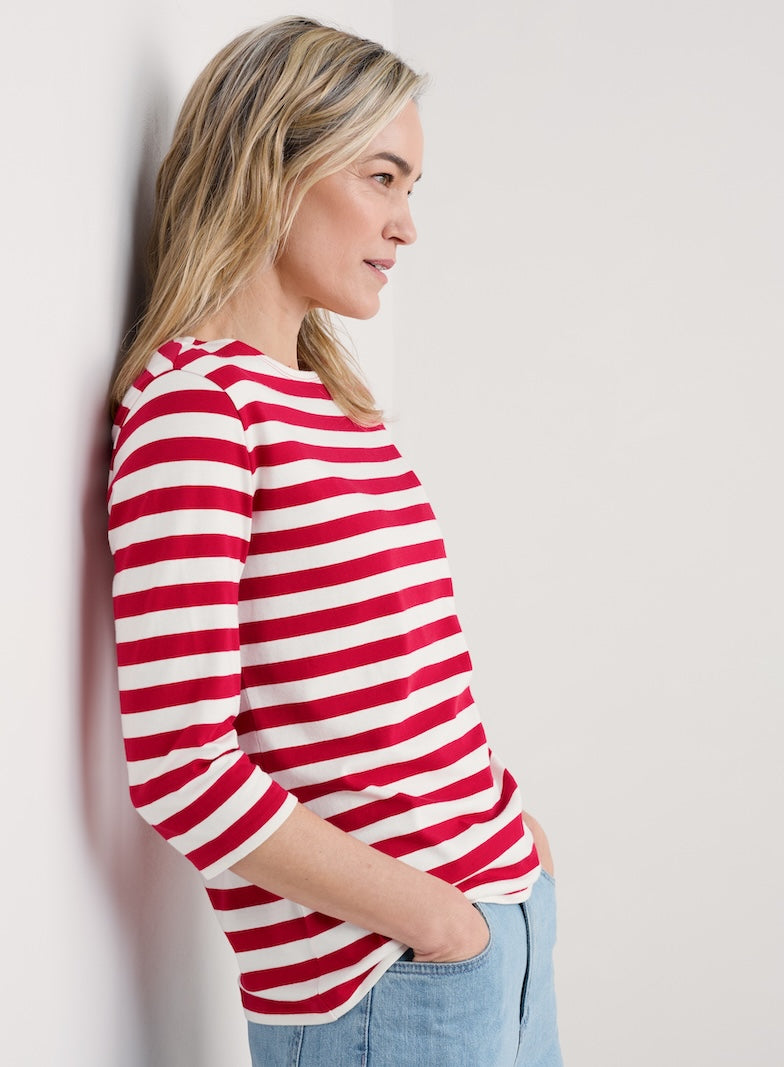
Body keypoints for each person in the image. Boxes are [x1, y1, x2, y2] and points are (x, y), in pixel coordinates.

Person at [107, 16, 562, 1067]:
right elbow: (181, 767)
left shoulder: (330, 405)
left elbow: (404, 681)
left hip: (497, 915)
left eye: (411, 188)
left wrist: (513, 850)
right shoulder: (199, 411)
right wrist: (436, 920)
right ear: (274, 165)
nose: (406, 226)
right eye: (382, 176)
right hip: (391, 971)